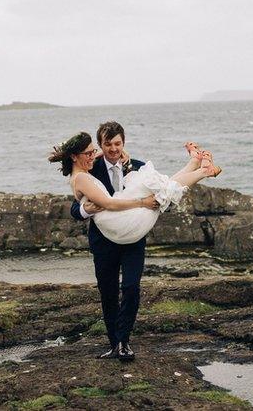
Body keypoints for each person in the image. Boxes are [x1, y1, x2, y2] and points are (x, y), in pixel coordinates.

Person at [50, 122, 220, 361]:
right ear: (100, 146)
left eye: (117, 143)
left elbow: (155, 195)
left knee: (131, 287)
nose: (113, 149)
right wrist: (85, 209)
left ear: (123, 143)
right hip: (104, 241)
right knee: (108, 292)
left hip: (133, 236)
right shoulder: (90, 168)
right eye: (107, 144)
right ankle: (114, 344)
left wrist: (153, 205)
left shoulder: (136, 166)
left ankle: (125, 341)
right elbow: (75, 209)